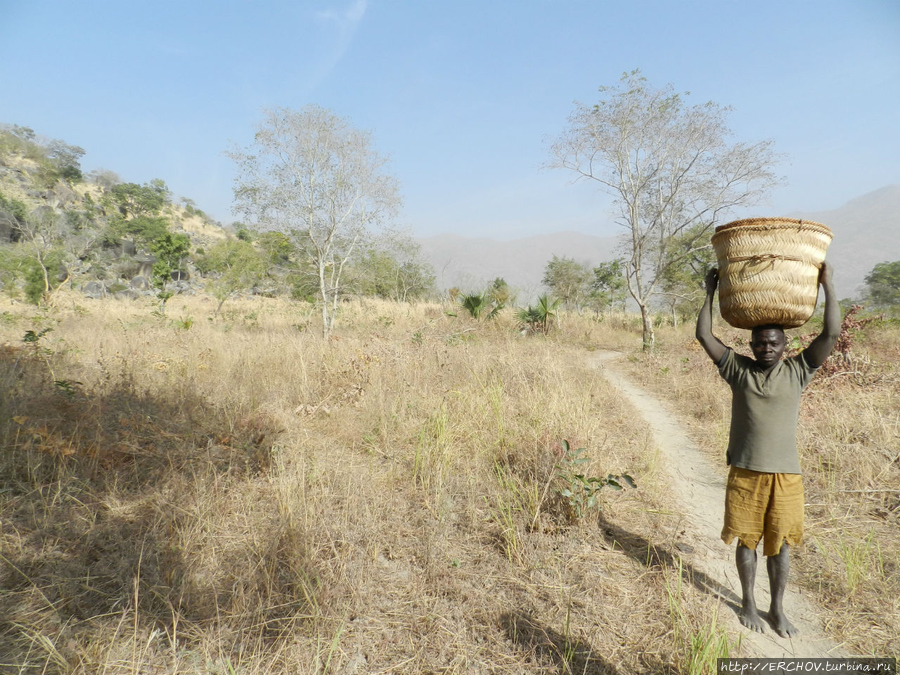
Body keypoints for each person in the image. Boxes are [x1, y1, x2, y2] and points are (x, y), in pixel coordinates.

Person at [695, 261, 840, 637]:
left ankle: (777, 608)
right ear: (751, 344)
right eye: (759, 342)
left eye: (773, 343)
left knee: (781, 545)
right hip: (745, 470)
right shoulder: (737, 369)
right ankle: (747, 602)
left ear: (785, 345)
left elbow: (832, 332)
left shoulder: (799, 370)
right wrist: (710, 292)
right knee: (747, 540)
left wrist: (827, 285)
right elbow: (704, 335)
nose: (766, 348)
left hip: (787, 474)